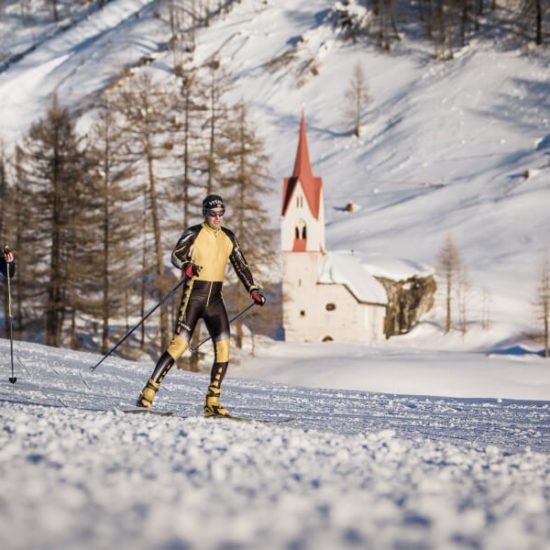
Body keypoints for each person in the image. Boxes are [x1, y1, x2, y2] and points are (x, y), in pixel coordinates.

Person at [136, 194, 266, 417]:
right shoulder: (194, 233)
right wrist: (187, 266)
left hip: (215, 299)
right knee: (179, 345)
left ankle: (212, 401)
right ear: (205, 213)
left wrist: (253, 289)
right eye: (212, 214)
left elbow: (241, 266)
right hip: (194, 296)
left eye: (221, 214)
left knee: (224, 347)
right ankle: (148, 392)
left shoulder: (228, 237)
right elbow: (176, 256)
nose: (217, 218)